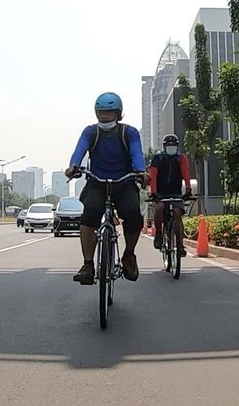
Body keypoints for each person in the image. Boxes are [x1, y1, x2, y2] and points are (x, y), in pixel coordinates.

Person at [64, 92, 146, 285]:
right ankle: (88, 265)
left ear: (118, 113)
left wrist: (141, 171)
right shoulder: (91, 132)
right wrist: (73, 166)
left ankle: (128, 255)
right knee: (89, 216)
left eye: (109, 112)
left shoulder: (129, 132)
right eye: (101, 112)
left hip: (124, 182)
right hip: (97, 182)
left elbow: (136, 153)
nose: (105, 116)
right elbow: (79, 150)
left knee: (133, 215)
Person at [148, 133, 193, 256]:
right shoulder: (158, 158)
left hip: (176, 194)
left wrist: (188, 189)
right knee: (159, 208)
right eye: (169, 145)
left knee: (178, 214)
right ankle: (158, 233)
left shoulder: (181, 158)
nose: (171, 147)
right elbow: (153, 175)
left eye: (173, 145)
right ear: (164, 146)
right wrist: (153, 193)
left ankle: (180, 245)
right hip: (161, 194)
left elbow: (186, 174)